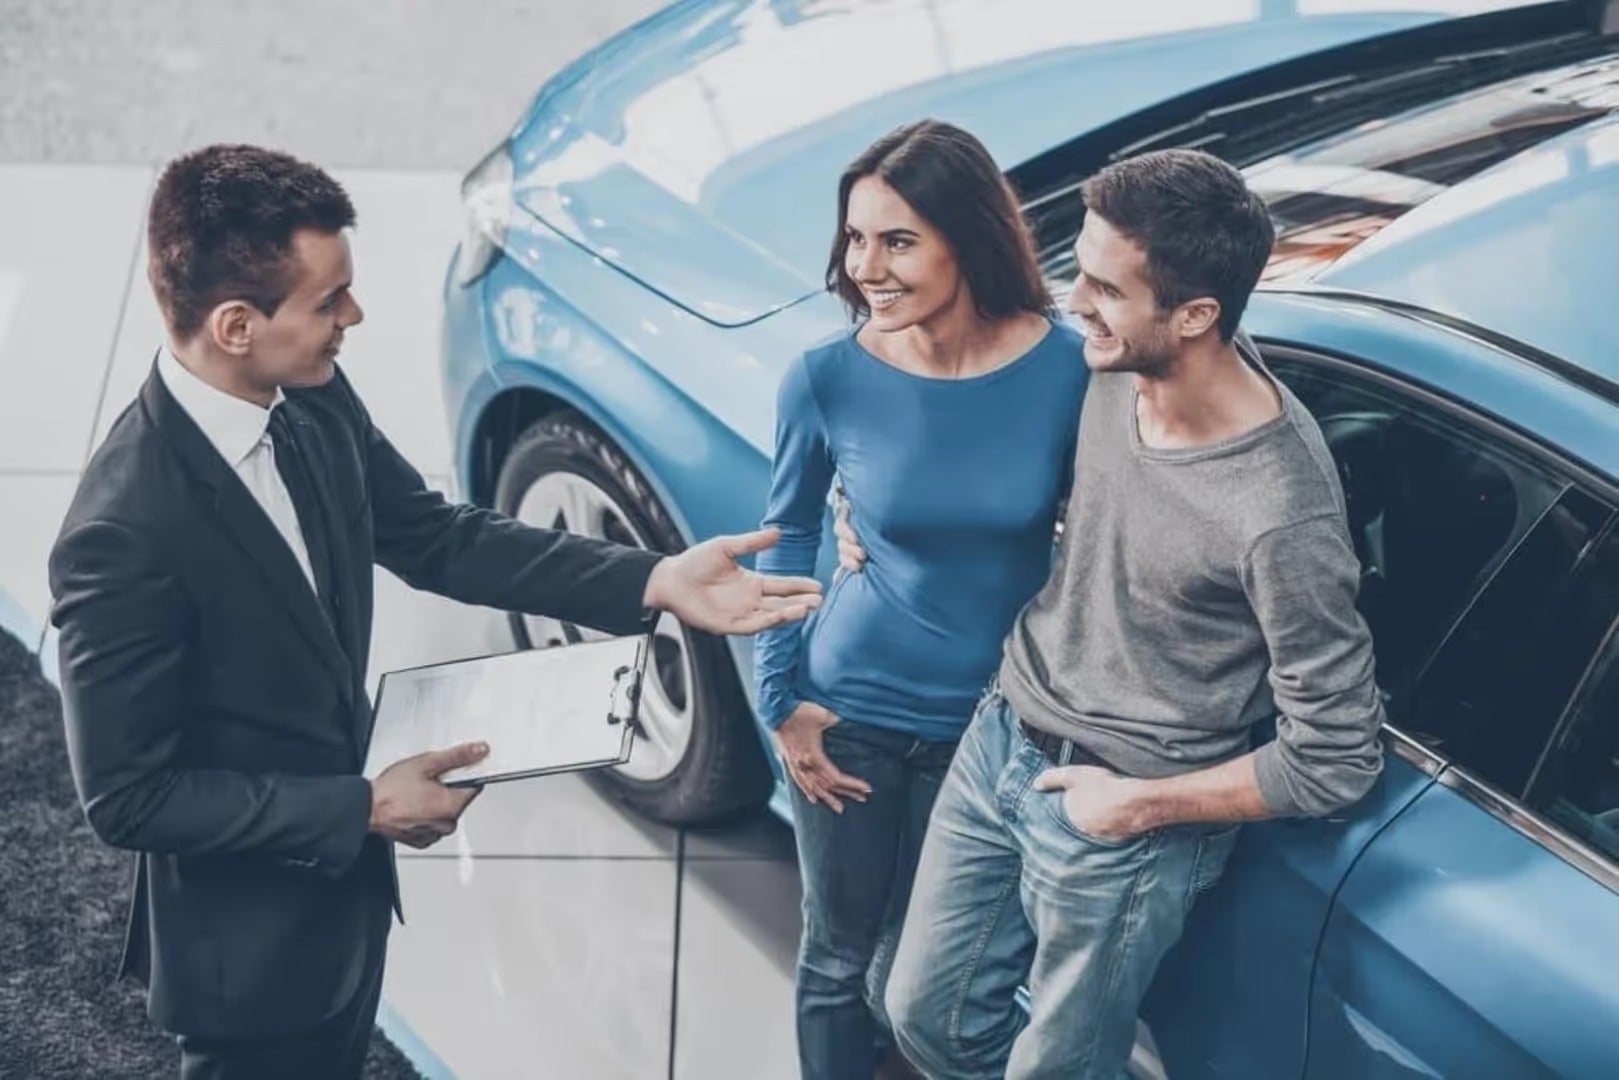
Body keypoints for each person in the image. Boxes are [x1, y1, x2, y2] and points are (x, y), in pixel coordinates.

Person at [47, 144, 821, 1080]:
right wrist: (363, 806)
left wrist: (653, 580)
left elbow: (435, 537)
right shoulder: (121, 533)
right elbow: (128, 797)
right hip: (247, 952)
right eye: (329, 301)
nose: (354, 318)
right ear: (237, 325)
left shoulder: (310, 398)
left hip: (346, 897)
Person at [833, 149, 1387, 1078]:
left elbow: (1335, 757)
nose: (1072, 303)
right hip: (1004, 734)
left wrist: (1138, 808)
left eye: (1101, 287)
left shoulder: (1278, 514)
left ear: (1196, 315)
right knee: (919, 1014)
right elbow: (978, 426)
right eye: (1076, 269)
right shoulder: (1109, 366)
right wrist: (868, 508)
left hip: (1121, 817)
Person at [752, 120, 1089, 1080]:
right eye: (855, 239)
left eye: (896, 240)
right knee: (835, 955)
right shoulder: (825, 377)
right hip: (847, 705)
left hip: (986, 732)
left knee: (918, 977)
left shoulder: (1066, 370)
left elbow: (1104, 530)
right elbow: (789, 538)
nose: (867, 267)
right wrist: (783, 702)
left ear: (967, 238)